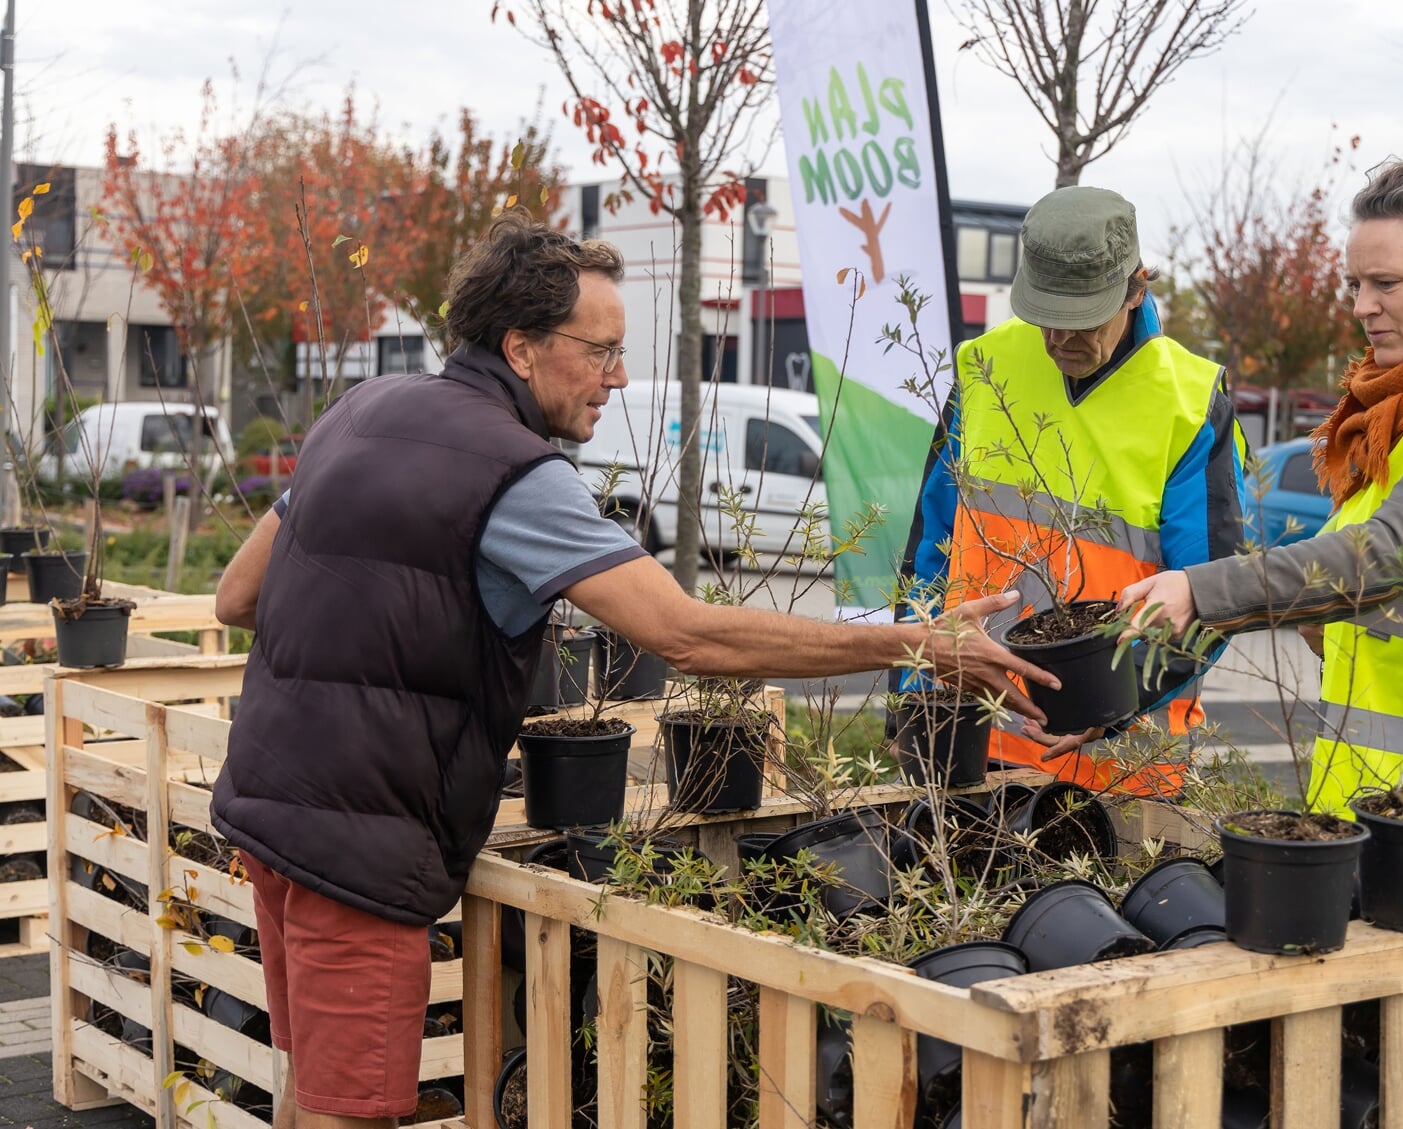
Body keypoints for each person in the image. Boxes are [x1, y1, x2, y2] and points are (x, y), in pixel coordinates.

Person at [209, 214, 1059, 1129]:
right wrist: (919, 644)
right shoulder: (517, 476)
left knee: (311, 1094)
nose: (618, 376)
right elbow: (688, 636)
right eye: (601, 351)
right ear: (521, 348)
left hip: (267, 805)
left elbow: (240, 596)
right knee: (352, 1114)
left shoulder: (357, 411)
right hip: (361, 847)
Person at [1120, 161, 1403, 869]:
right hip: (1397, 809)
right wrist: (1322, 615)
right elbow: (1375, 578)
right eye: (1355, 284)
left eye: (1387, 284)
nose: (1362, 306)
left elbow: (1387, 555)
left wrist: (1201, 589)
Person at [895, 185, 1245, 793]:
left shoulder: (1190, 403)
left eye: (1081, 320)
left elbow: (1210, 593)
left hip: (1118, 766)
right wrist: (913, 687)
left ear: (1136, 290)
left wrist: (1111, 705)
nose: (1060, 340)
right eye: (1045, 319)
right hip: (968, 742)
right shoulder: (984, 367)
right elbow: (931, 541)